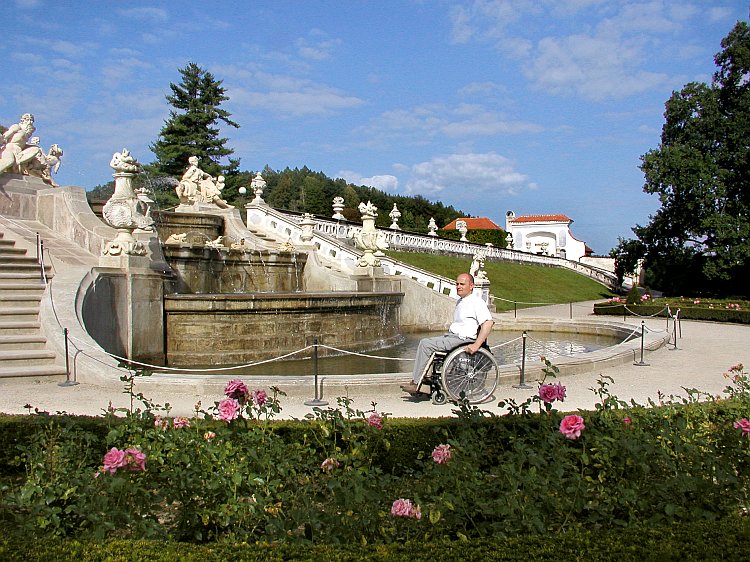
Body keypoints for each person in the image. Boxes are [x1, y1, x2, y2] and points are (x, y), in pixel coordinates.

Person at [401, 272, 494, 394]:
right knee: (429, 344)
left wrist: (476, 345)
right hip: (453, 337)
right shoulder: (461, 301)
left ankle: (416, 382)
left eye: (462, 284)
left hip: (462, 340)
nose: (458, 286)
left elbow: (488, 323)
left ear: (471, 286)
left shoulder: (476, 302)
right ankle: (425, 382)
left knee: (425, 344)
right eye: (457, 284)